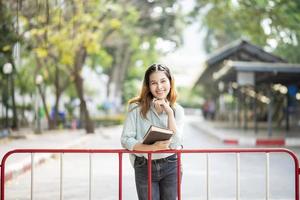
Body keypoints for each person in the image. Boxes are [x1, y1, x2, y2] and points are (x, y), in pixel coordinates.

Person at [121, 63, 185, 200]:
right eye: (154, 83)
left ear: (170, 82)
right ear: (148, 86)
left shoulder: (177, 110)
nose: (159, 87)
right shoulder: (136, 108)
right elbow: (126, 139)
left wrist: (169, 114)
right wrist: (151, 148)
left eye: (163, 81)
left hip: (171, 165)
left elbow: (175, 144)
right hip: (144, 165)